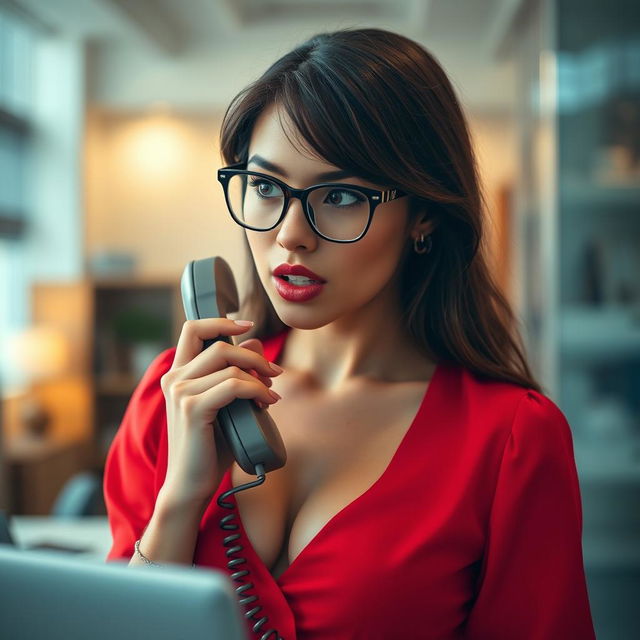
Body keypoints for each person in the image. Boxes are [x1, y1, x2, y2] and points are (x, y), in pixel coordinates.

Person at [103, 27, 596, 640]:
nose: (290, 235)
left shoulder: (512, 440)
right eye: (265, 187)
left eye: (338, 195)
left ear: (424, 215)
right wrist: (181, 498)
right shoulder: (176, 395)